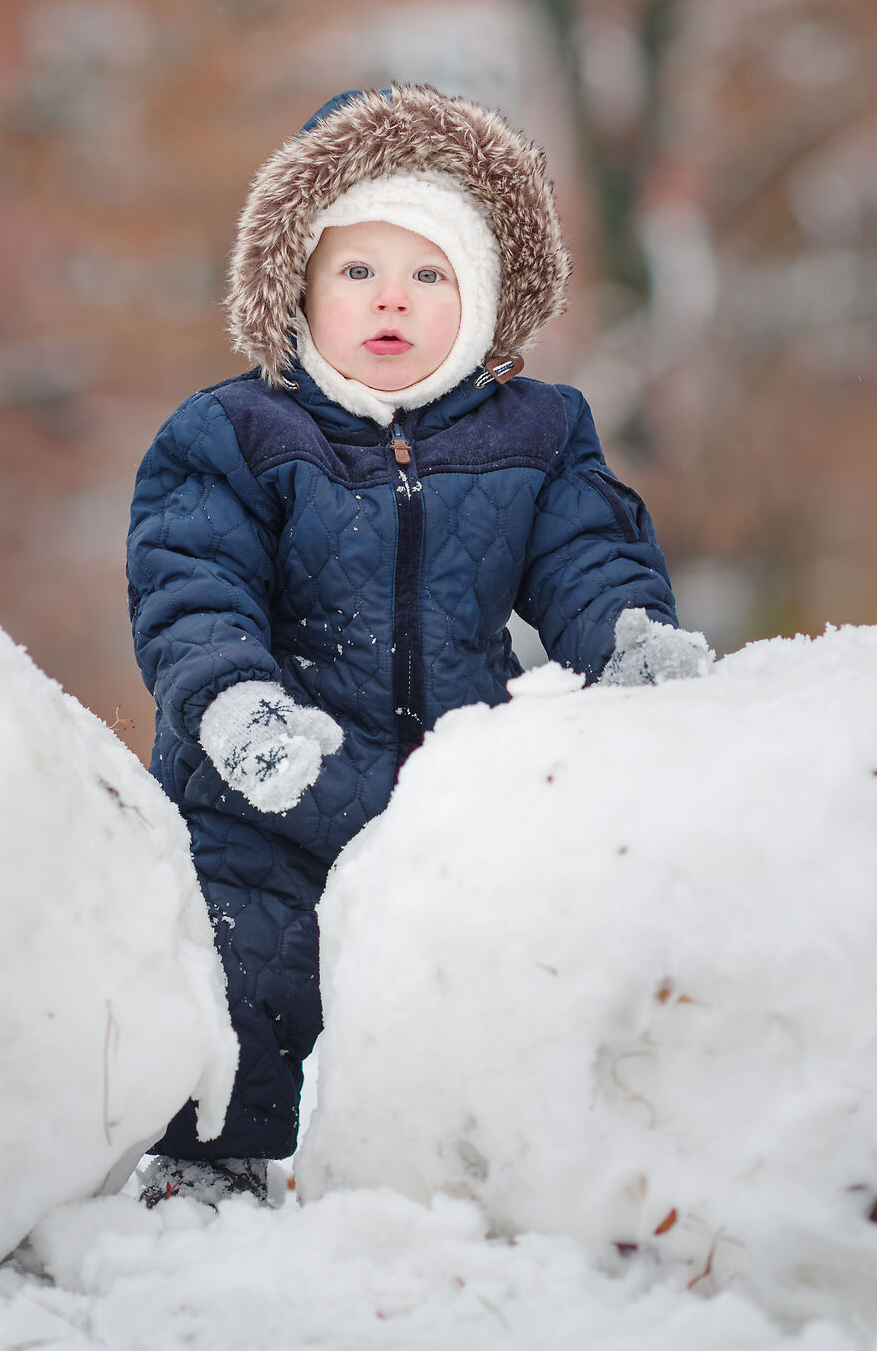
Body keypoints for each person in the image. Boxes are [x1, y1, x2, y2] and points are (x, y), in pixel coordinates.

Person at [126, 84, 709, 1207]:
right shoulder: (237, 433)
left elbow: (588, 557)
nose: (391, 299)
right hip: (273, 790)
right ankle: (211, 1156)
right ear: (296, 285)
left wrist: (629, 644)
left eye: (429, 274)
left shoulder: (536, 436)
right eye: (357, 271)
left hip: (455, 787)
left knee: (512, 955)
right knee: (239, 953)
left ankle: (492, 1152)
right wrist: (232, 702)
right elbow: (193, 586)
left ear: (482, 297)